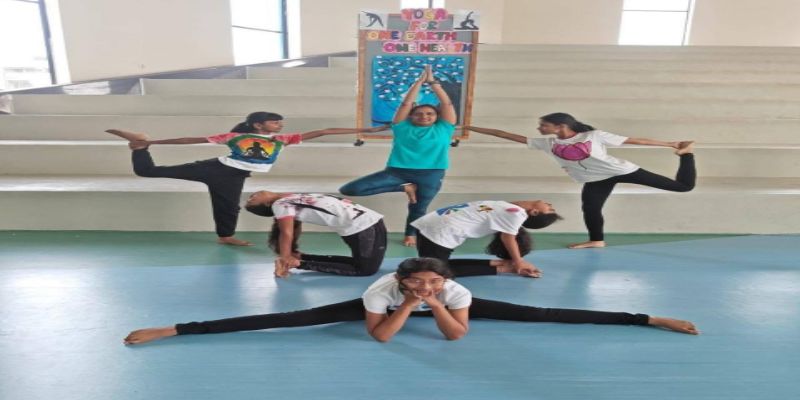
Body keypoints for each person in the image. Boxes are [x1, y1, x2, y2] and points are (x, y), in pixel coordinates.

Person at [123, 257, 699, 345]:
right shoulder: (381, 291)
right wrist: (406, 303)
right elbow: (380, 337)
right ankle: (178, 329)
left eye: (432, 281)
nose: (425, 287)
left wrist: (437, 302)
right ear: (403, 280)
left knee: (545, 315)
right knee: (291, 318)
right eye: (417, 282)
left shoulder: (455, 290)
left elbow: (456, 336)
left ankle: (645, 317)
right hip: (382, 309)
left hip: (450, 307)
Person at [106, 112, 388, 246]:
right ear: (258, 124)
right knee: (147, 171)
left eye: (279, 122)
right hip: (216, 168)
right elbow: (191, 139)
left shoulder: (282, 139)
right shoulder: (235, 137)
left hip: (233, 176)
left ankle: (225, 236)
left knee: (228, 206)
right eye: (274, 122)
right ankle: (140, 145)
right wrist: (153, 142)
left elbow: (325, 130)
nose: (279, 125)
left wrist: (366, 130)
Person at [467, 112, 696, 249]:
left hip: (620, 170)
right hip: (594, 179)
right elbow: (504, 134)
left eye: (544, 125)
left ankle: (687, 155)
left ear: (560, 126)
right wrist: (470, 127)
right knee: (591, 208)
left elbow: (635, 140)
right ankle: (597, 240)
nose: (539, 128)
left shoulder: (593, 136)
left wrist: (671, 144)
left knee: (682, 187)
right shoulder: (547, 143)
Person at [339, 65, 457, 248]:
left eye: (430, 114)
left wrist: (432, 82)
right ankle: (405, 188)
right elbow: (406, 104)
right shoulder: (401, 126)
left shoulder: (445, 127)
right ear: (411, 116)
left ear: (437, 116)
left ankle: (411, 234)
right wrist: (418, 82)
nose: (424, 116)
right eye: (419, 114)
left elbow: (447, 104)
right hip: (397, 172)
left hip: (431, 174)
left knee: (418, 207)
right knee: (350, 189)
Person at [244, 191, 387, 277]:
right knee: (365, 270)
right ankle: (299, 263)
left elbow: (293, 227)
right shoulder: (280, 204)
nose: (250, 197)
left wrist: (289, 254)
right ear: (267, 204)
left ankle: (301, 258)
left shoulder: (290, 197)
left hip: (367, 222)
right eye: (251, 201)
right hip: (362, 227)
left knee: (361, 264)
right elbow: (286, 232)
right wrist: (285, 257)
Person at [412, 200, 562, 278]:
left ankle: (501, 266)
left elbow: (508, 237)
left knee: (434, 272)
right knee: (434, 268)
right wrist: (517, 261)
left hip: (438, 231)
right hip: (436, 228)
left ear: (534, 212)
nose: (550, 205)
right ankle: (501, 264)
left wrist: (519, 262)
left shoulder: (516, 214)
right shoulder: (512, 208)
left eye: (550, 209)